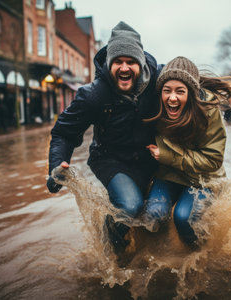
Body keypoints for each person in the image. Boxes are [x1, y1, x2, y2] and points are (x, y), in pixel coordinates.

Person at [46, 21, 161, 255]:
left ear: (140, 63)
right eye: (118, 61)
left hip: (151, 158)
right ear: (109, 64)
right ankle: (111, 242)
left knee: (157, 215)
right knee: (131, 206)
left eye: (130, 62)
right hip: (111, 160)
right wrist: (56, 166)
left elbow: (186, 84)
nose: (124, 67)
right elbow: (63, 133)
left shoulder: (159, 81)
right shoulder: (93, 94)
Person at [143, 56, 231, 248]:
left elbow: (213, 160)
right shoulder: (154, 106)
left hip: (202, 178)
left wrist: (167, 156)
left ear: (192, 94)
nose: (172, 97)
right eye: (167, 90)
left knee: (184, 218)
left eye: (180, 91)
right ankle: (160, 258)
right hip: (169, 175)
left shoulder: (208, 111)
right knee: (154, 215)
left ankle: (197, 258)